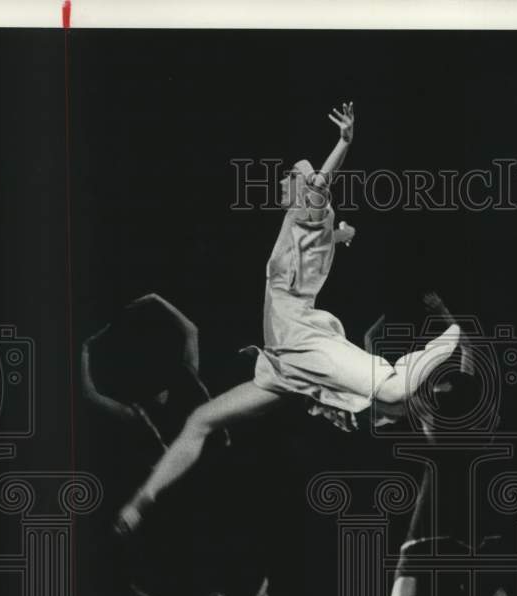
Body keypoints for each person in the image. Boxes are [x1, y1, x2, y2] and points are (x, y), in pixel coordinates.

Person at [114, 102, 460, 534]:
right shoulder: (300, 226)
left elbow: (320, 185)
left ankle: (456, 335)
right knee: (201, 420)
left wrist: (342, 143)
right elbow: (319, 238)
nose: (283, 180)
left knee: (391, 390)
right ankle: (140, 502)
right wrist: (341, 235)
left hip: (303, 340)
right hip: (280, 361)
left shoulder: (306, 210)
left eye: (290, 177)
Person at [81, 294, 279, 596]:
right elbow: (91, 397)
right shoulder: (139, 411)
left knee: (244, 563)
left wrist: (158, 301)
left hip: (216, 486)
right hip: (177, 494)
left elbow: (191, 329)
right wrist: (85, 353)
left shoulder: (190, 376)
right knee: (148, 562)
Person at [365, 294, 517, 596]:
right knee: (477, 565)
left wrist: (443, 314)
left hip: (446, 480)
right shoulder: (425, 398)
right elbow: (379, 397)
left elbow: (466, 342)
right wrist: (370, 345)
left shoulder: (449, 390)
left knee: (412, 558)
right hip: (465, 480)